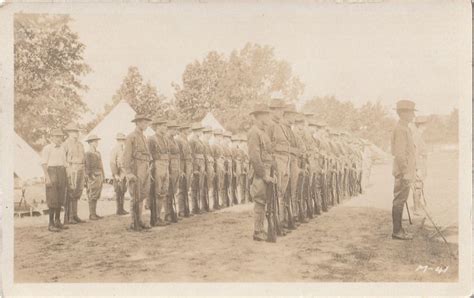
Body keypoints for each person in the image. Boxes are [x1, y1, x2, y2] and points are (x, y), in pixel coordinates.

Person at [247, 103, 275, 242]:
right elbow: (255, 157)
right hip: (260, 173)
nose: (268, 117)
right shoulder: (254, 132)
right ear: (258, 116)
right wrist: (264, 175)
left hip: (267, 170)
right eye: (266, 115)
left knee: (264, 201)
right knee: (259, 200)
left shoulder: (263, 132)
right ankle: (257, 231)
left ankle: (261, 229)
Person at [391, 100, 417, 240]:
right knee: (399, 201)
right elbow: (400, 154)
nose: (413, 115)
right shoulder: (401, 129)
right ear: (403, 113)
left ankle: (399, 229)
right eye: (411, 112)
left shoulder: (405, 128)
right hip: (402, 172)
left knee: (401, 200)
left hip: (405, 171)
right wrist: (406, 172)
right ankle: (397, 231)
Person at [123, 113, 152, 231]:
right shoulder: (131, 137)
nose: (146, 125)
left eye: (146, 122)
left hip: (145, 167)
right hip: (136, 167)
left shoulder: (144, 137)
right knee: (135, 195)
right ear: (138, 123)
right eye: (144, 122)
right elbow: (126, 156)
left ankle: (139, 219)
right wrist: (128, 172)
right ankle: (133, 221)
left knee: (143, 195)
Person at [41, 128, 68, 232]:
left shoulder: (62, 148)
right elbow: (44, 164)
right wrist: (47, 177)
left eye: (60, 136)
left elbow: (64, 163)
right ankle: (51, 224)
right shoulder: (47, 148)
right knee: (52, 198)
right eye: (56, 136)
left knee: (60, 198)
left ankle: (57, 221)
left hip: (61, 172)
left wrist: (67, 174)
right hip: (51, 172)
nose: (58, 139)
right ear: (51, 137)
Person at [148, 117, 170, 227]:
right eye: (163, 126)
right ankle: (155, 218)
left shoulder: (165, 139)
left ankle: (159, 217)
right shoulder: (151, 139)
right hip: (157, 165)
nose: (165, 128)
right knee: (156, 192)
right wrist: (151, 170)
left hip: (165, 165)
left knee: (163, 192)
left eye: (165, 126)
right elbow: (149, 155)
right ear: (157, 126)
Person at [62, 123, 86, 224]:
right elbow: (64, 159)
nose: (76, 133)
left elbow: (84, 157)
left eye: (77, 131)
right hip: (71, 169)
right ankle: (69, 217)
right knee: (71, 192)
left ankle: (75, 215)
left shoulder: (80, 144)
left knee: (78, 192)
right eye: (73, 131)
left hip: (81, 169)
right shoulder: (65, 144)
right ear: (69, 133)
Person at [411, 115, 429, 216]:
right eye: (424, 124)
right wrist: (417, 168)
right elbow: (415, 153)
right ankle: (416, 208)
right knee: (417, 186)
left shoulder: (419, 135)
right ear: (421, 125)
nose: (426, 126)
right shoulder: (416, 136)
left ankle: (418, 206)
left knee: (420, 185)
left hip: (421, 164)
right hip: (418, 165)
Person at [84, 134, 105, 220]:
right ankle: (91, 214)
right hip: (93, 176)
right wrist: (90, 175)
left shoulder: (98, 152)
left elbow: (101, 164)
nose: (96, 143)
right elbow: (87, 166)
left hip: (99, 174)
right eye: (94, 141)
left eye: (97, 141)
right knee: (92, 194)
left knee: (96, 194)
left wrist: (103, 174)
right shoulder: (88, 153)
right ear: (90, 143)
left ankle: (94, 213)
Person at [189, 123, 207, 214]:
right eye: (198, 130)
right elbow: (191, 154)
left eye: (200, 130)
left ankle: (200, 207)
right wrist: (194, 168)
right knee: (194, 187)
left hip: (201, 163)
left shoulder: (199, 140)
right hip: (196, 163)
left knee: (200, 186)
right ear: (194, 131)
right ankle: (194, 207)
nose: (200, 132)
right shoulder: (192, 140)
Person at [176, 123, 193, 217]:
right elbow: (178, 156)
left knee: (186, 188)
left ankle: (186, 209)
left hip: (187, 165)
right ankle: (181, 210)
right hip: (182, 165)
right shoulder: (178, 140)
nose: (188, 130)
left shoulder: (186, 139)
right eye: (186, 129)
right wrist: (180, 169)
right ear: (182, 130)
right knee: (181, 189)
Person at [110, 133, 129, 215]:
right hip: (118, 173)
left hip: (124, 173)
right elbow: (112, 163)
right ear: (118, 140)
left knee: (123, 191)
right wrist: (115, 174)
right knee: (118, 191)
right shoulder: (114, 150)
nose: (122, 142)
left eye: (123, 140)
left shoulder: (124, 150)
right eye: (121, 140)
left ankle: (122, 208)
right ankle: (119, 209)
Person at [166, 120, 181, 223]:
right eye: (175, 129)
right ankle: (168, 214)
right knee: (168, 192)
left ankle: (172, 212)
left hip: (176, 167)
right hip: (170, 167)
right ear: (170, 129)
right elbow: (167, 156)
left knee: (173, 191)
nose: (176, 131)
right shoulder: (166, 140)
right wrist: (169, 171)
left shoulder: (174, 140)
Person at [202, 127, 216, 210]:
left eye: (210, 133)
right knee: (206, 186)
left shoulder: (207, 143)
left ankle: (208, 205)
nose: (210, 135)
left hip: (209, 165)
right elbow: (205, 156)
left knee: (209, 186)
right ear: (205, 133)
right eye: (208, 133)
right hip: (206, 166)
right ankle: (205, 205)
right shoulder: (204, 142)